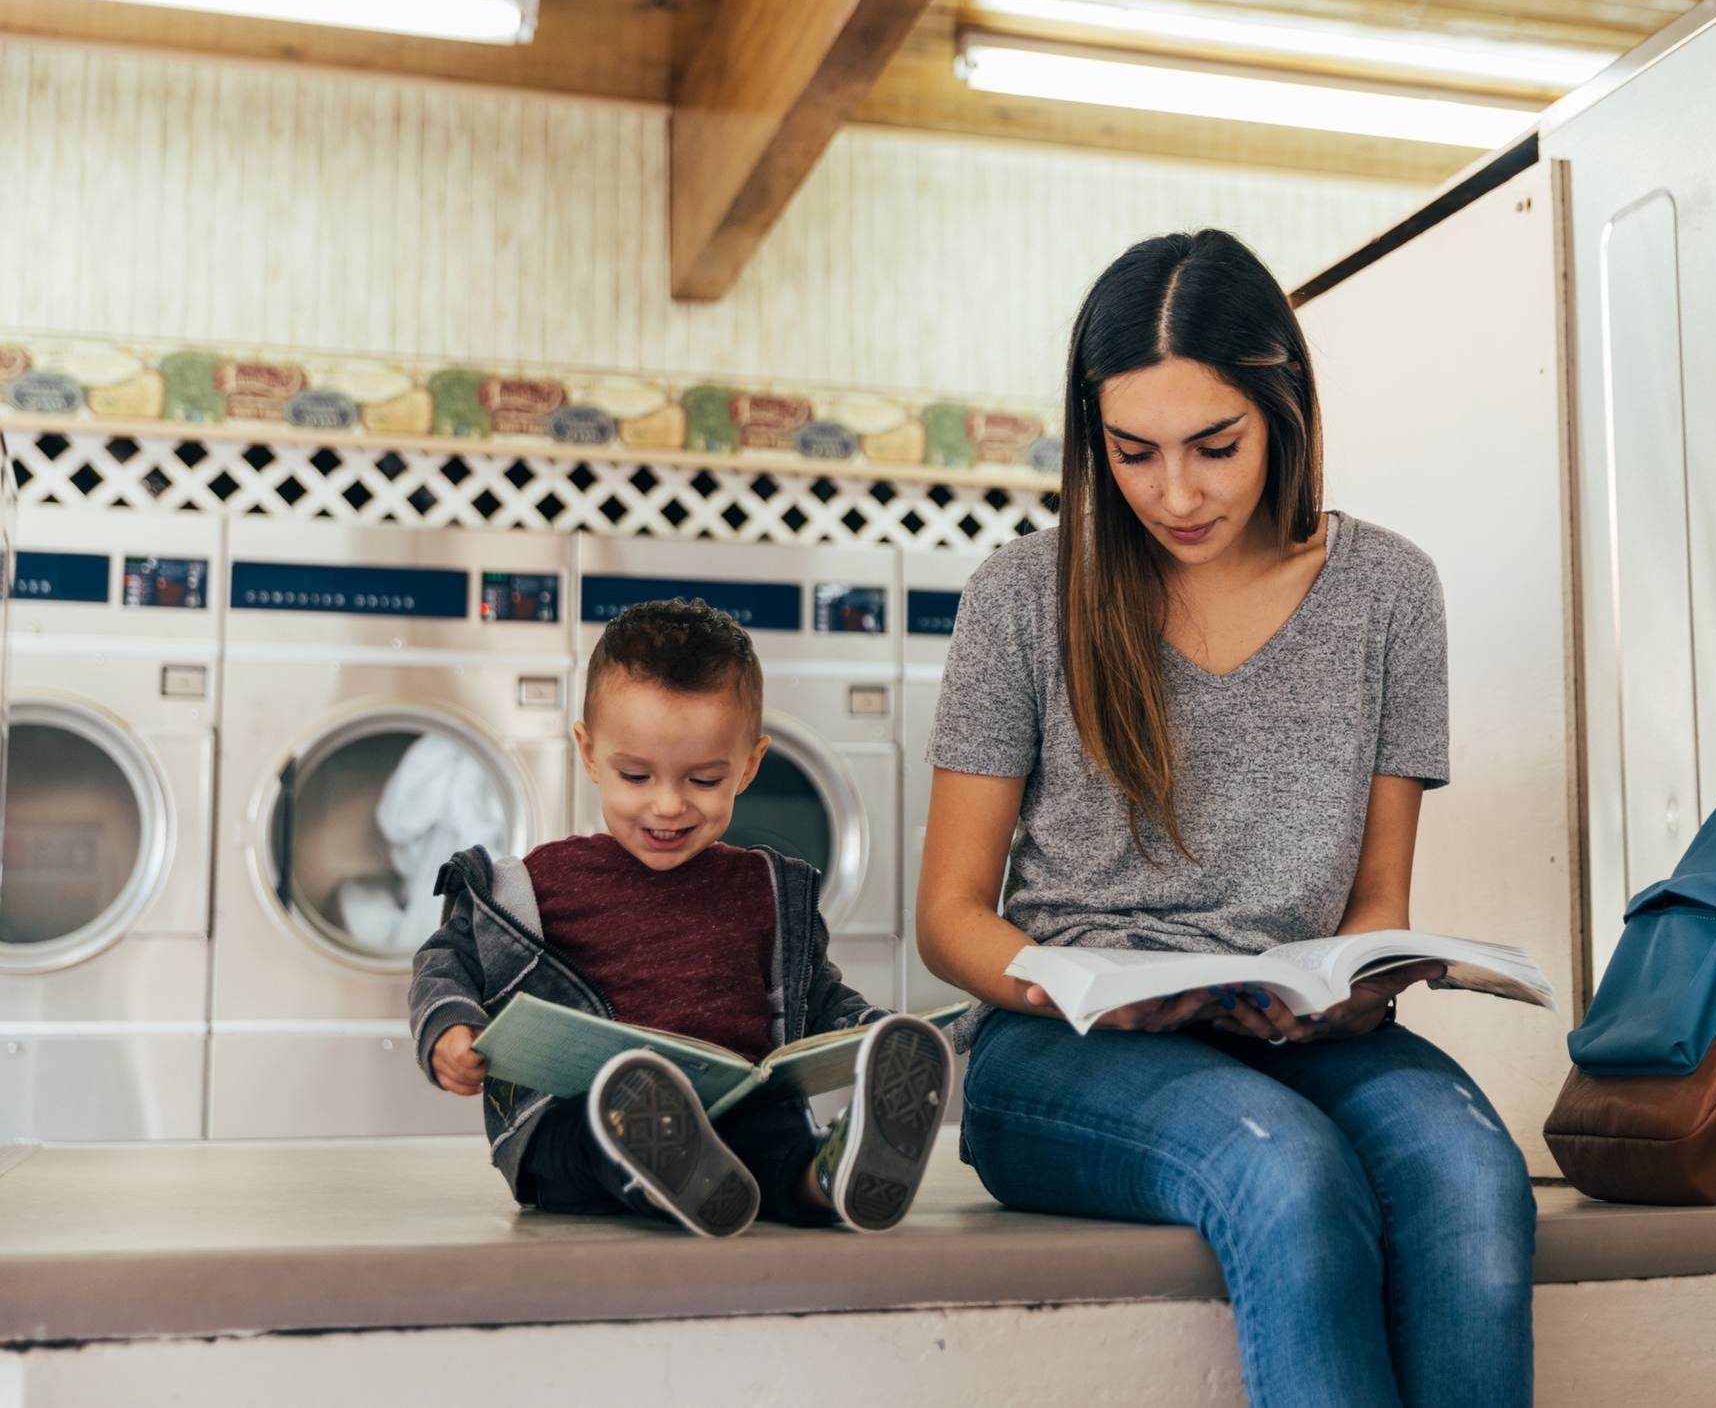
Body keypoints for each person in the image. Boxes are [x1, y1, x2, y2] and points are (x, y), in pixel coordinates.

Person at [916, 230, 1536, 1406]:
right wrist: (1081, 981)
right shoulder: (1019, 598)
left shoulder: (1389, 592)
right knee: (1285, 1176)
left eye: (1215, 446)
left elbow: (1374, 904)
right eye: (1132, 452)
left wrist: (1354, 987)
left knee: (1471, 1179)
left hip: (1290, 1037)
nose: (1176, 492)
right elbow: (948, 918)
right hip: (1062, 1049)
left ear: (1283, 410)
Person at [410, 598, 953, 1237]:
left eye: (701, 780)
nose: (667, 806)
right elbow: (448, 961)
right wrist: (449, 1031)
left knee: (775, 1139)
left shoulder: (761, 886)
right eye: (636, 776)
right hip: (575, 1118)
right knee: (598, 1126)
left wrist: (871, 1034)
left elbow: (819, 997)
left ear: (749, 765)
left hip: (731, 1111)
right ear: (588, 753)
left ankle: (830, 1177)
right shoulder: (537, 882)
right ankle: (663, 1167)